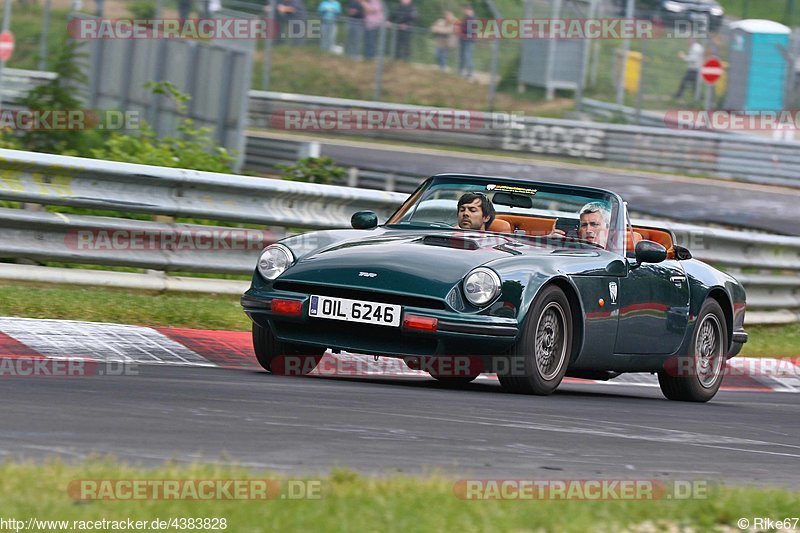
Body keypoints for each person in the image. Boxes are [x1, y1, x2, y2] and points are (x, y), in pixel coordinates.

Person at [458, 5, 476, 80]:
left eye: (467, 10)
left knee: (468, 56)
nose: (466, 11)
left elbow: (470, 31)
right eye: (465, 10)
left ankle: (470, 74)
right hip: (463, 40)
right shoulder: (465, 18)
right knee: (462, 56)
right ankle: (460, 71)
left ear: (471, 10)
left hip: (468, 40)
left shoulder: (472, 19)